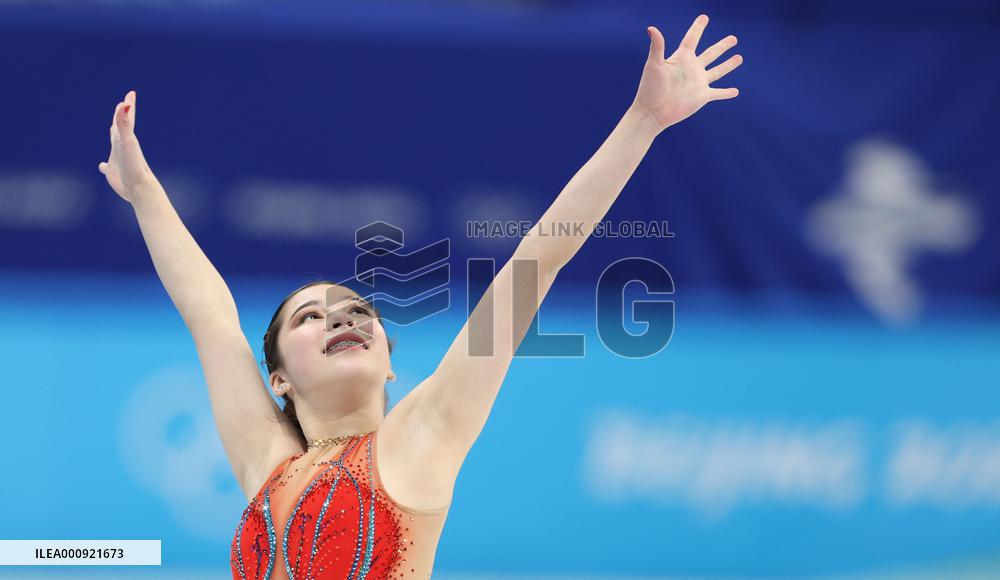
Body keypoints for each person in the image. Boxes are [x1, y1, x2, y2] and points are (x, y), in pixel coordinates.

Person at [98, 15, 742, 580]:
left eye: (357, 312)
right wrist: (143, 188)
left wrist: (642, 123)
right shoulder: (264, 458)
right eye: (310, 317)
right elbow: (209, 314)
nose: (340, 318)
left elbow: (534, 263)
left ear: (388, 361)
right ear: (279, 380)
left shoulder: (422, 436)